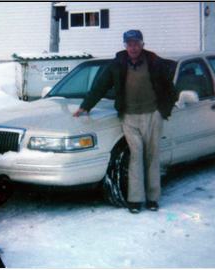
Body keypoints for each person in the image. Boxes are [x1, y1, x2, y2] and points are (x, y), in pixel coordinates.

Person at [72, 29, 178, 214]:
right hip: (129, 116)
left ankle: (153, 198)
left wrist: (163, 111)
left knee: (152, 156)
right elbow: (101, 85)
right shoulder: (118, 63)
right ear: (125, 46)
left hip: (152, 114)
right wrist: (86, 106)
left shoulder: (154, 61)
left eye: (136, 43)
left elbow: (170, 89)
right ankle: (135, 200)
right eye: (129, 44)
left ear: (142, 44)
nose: (133, 47)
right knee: (136, 157)